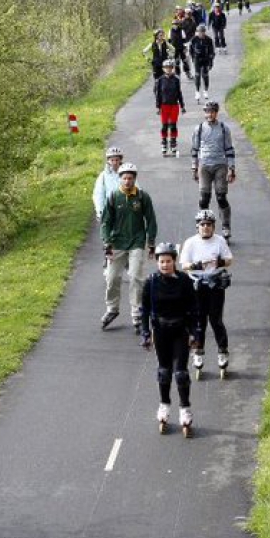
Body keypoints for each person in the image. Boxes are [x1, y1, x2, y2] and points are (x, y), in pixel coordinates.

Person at [141, 241, 199, 434]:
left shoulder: (184, 281)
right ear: (157, 262)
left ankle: (185, 409)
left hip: (180, 330)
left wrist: (194, 332)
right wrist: (145, 333)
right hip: (161, 331)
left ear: (174, 261)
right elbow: (145, 311)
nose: (164, 264)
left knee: (181, 373)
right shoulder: (151, 282)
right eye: (161, 261)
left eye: (168, 261)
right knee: (164, 371)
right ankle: (164, 405)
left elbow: (193, 309)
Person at [100, 162, 157, 332]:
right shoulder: (113, 196)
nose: (127, 181)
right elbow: (106, 222)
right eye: (124, 178)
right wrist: (106, 242)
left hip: (137, 242)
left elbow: (151, 220)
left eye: (130, 178)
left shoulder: (142, 197)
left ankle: (137, 311)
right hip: (117, 242)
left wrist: (151, 242)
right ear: (120, 179)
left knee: (135, 277)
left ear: (134, 179)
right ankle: (112, 309)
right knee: (112, 278)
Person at [180, 209, 233, 376]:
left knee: (216, 320)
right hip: (196, 285)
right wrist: (197, 265)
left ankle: (222, 351)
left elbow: (230, 260)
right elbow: (183, 264)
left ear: (213, 226)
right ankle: (198, 352)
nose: (205, 228)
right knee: (198, 322)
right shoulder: (190, 243)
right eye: (202, 225)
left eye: (209, 225)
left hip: (214, 284)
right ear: (197, 226)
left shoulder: (219, 241)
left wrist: (219, 262)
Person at [190, 100, 236, 240]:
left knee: (221, 197)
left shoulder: (223, 128)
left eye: (212, 111)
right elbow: (195, 149)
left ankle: (226, 226)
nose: (209, 114)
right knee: (204, 199)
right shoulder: (199, 129)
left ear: (216, 113)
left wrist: (231, 168)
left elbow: (229, 149)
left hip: (220, 165)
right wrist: (194, 167)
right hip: (204, 166)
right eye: (207, 111)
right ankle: (203, 225)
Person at [154, 57, 186, 156]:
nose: (168, 69)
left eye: (170, 67)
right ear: (163, 69)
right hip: (164, 105)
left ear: (172, 68)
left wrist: (182, 105)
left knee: (173, 125)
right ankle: (164, 143)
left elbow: (179, 93)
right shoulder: (160, 80)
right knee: (164, 126)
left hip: (174, 105)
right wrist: (158, 107)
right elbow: (158, 94)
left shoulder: (176, 79)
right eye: (166, 67)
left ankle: (173, 143)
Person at [92, 146, 123, 222]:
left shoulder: (126, 173)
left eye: (117, 160)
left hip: (125, 210)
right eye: (112, 160)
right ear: (108, 161)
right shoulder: (103, 176)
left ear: (120, 160)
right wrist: (100, 211)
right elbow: (99, 194)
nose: (115, 163)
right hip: (110, 210)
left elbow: (136, 189)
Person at [188, 23, 215, 102]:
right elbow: (191, 50)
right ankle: (197, 91)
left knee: (205, 75)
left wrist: (211, 61)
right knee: (197, 75)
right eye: (200, 32)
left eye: (203, 32)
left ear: (205, 32)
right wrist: (193, 58)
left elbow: (212, 51)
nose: (201, 33)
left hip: (206, 59)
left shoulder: (209, 40)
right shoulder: (194, 39)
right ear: (197, 32)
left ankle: (205, 90)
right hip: (197, 59)